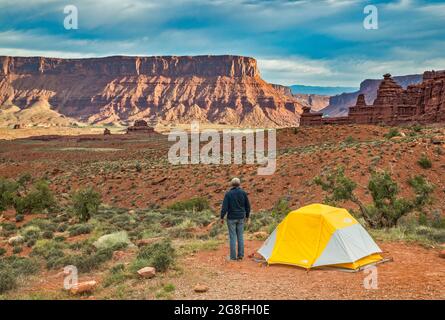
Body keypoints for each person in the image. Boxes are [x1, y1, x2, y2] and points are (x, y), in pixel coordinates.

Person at [220, 177, 251, 261]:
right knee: (240, 236)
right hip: (241, 217)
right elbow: (248, 206)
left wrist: (222, 217)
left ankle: (233, 257)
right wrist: (247, 216)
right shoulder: (243, 193)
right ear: (239, 184)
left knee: (232, 237)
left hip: (231, 218)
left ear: (231, 184)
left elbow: (224, 207)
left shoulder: (228, 194)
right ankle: (240, 256)